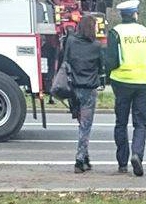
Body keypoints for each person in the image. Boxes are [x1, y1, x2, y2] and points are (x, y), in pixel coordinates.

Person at [104, 0, 146, 176]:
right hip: (143, 82)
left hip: (122, 81)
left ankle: (122, 163)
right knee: (141, 123)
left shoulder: (116, 32)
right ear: (135, 14)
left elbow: (111, 60)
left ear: (122, 15)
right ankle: (137, 154)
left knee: (121, 122)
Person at [63, 14, 104, 173]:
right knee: (85, 127)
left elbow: (66, 60)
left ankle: (85, 157)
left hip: (73, 88)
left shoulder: (72, 41)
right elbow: (101, 67)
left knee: (81, 124)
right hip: (89, 89)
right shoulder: (96, 45)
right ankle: (80, 160)